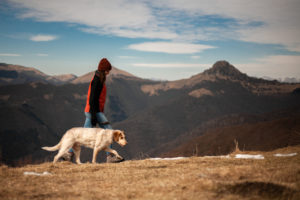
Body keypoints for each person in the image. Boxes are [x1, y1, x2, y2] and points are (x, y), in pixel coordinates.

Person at [63, 58, 124, 163]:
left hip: (93, 111)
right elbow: (92, 99)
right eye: (107, 70)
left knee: (81, 135)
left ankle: (69, 153)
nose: (108, 72)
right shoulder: (97, 80)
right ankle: (110, 157)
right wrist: (95, 115)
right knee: (109, 131)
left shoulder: (99, 78)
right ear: (104, 70)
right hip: (94, 111)